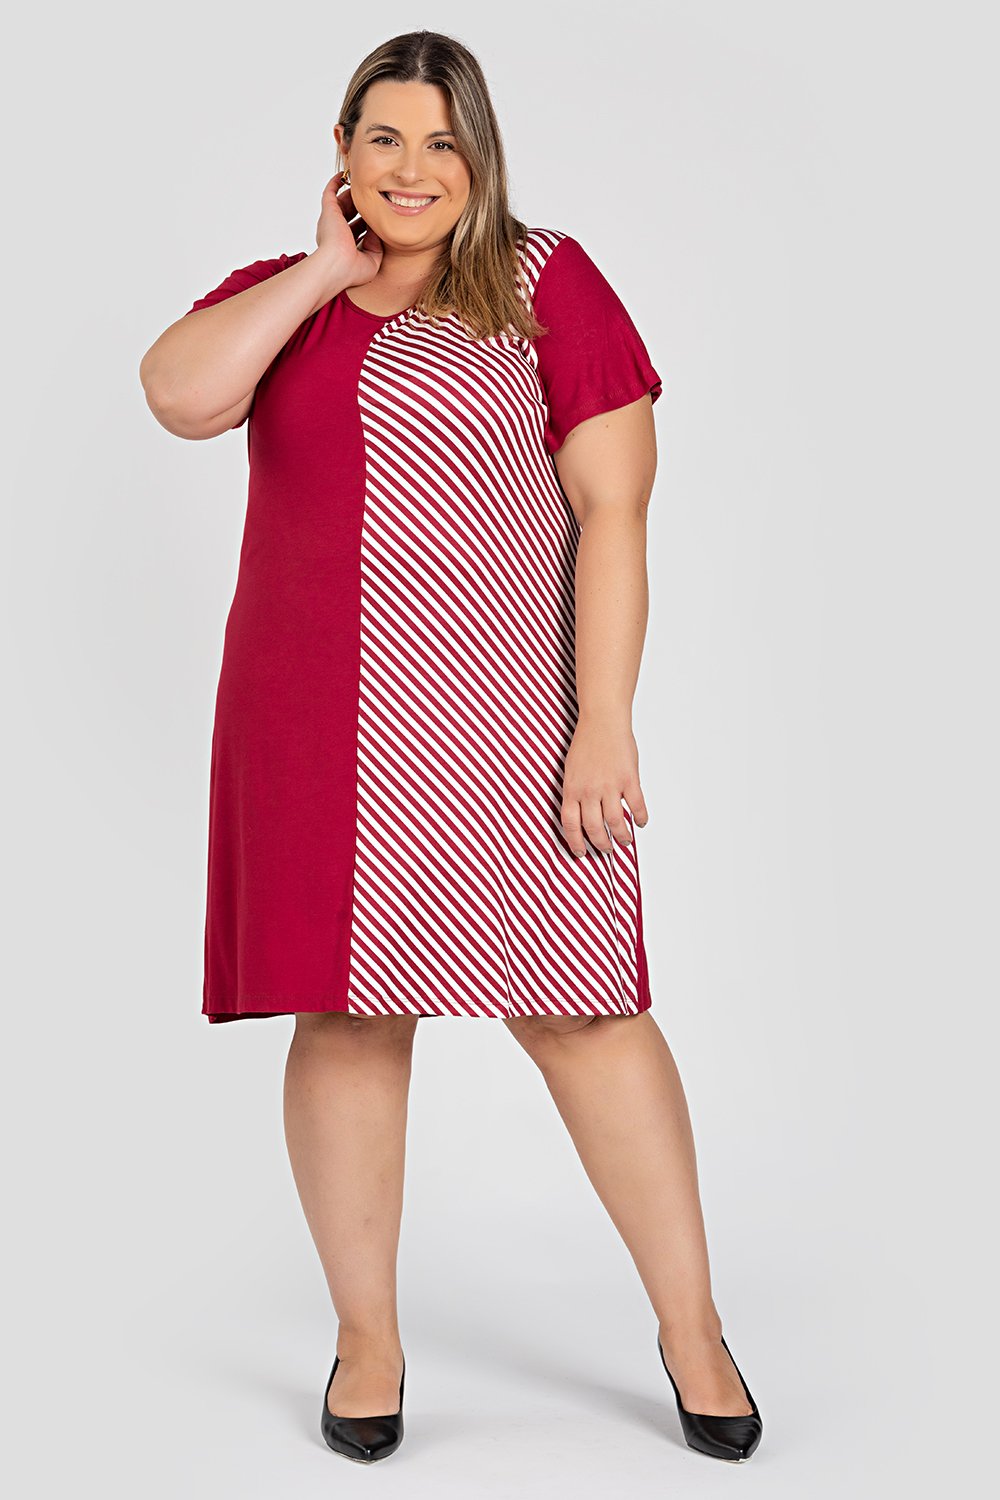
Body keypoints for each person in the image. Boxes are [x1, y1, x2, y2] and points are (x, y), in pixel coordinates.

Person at [139, 28, 763, 1467]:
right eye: (383, 139)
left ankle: (693, 1329)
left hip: (513, 725)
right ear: (342, 153)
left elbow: (615, 512)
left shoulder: (549, 283)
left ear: (481, 156)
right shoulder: (283, 298)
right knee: (346, 1016)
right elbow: (179, 395)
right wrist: (323, 272)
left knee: (587, 1013)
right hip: (321, 726)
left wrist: (604, 719)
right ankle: (367, 1338)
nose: (412, 169)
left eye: (441, 141)